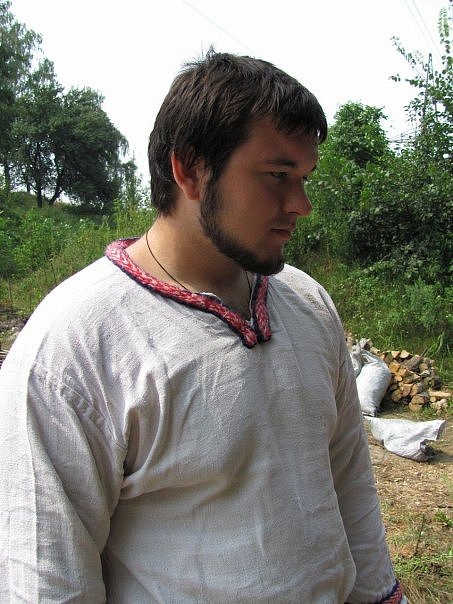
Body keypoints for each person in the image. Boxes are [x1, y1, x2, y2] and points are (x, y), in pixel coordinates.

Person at [0, 50, 406, 603]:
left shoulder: (307, 303)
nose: (301, 204)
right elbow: (48, 578)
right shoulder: (74, 346)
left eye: (304, 178)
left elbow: (349, 483)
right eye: (277, 175)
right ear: (189, 169)